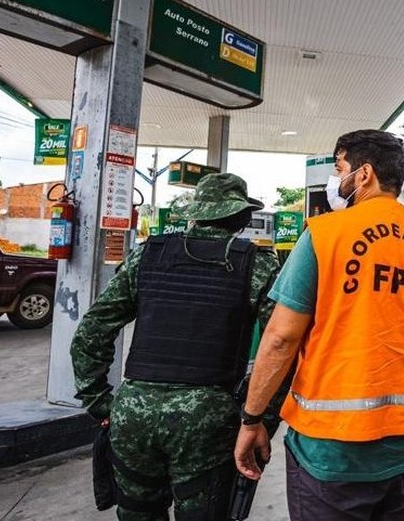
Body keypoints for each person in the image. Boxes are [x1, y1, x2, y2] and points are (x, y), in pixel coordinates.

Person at [233, 129, 404, 520]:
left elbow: (282, 338)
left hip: (333, 452)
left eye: (340, 168)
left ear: (364, 174)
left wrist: (252, 418)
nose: (336, 180)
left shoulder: (326, 234)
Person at [71, 173, 282, 520]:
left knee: (138, 512)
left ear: (195, 213)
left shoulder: (147, 255)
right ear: (242, 218)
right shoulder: (256, 264)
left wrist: (101, 402)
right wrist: (259, 421)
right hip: (207, 421)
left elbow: (91, 331)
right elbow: (280, 349)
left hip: (133, 413)